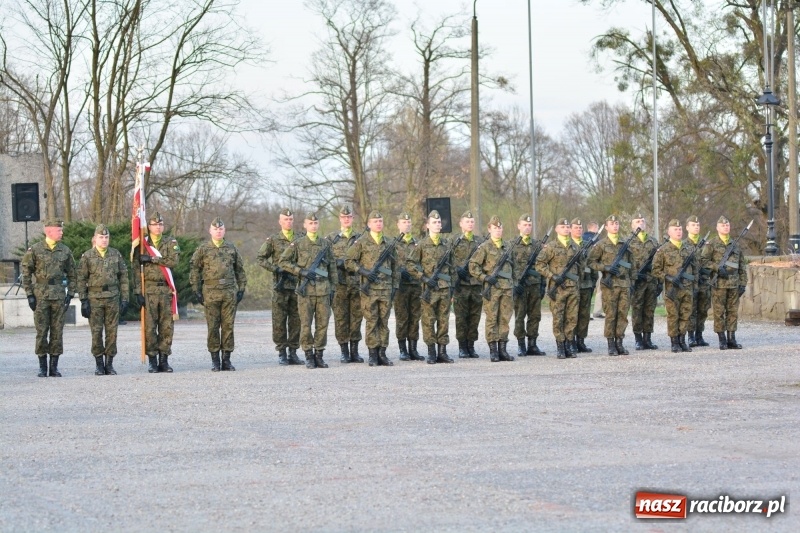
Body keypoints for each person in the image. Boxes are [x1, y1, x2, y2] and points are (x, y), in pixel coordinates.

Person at [279, 212, 337, 369]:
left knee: (322, 324)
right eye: (310, 223)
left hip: (324, 290)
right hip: (306, 292)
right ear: (305, 225)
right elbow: (283, 262)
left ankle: (319, 354)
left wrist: (334, 287)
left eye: (316, 223)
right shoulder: (298, 244)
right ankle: (308, 355)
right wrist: (301, 272)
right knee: (305, 324)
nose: (313, 225)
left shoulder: (325, 245)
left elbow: (332, 267)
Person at [21, 218, 77, 377]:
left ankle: (54, 366)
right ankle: (42, 366)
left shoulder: (65, 251)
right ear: (49, 231)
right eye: (59, 230)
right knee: (41, 331)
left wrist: (70, 294)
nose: (62, 233)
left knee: (57, 331)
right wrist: (30, 295)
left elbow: (73, 274)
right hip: (41, 296)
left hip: (59, 295)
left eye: (61, 230)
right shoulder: (35, 250)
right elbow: (26, 273)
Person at [190, 217, 247, 371]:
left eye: (221, 229)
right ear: (210, 231)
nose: (218, 231)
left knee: (228, 326)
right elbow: (195, 269)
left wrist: (241, 289)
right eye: (215, 229)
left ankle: (226, 359)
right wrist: (196, 289)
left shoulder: (231, 248)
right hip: (210, 292)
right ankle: (215, 360)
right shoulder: (203, 249)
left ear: (224, 231)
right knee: (213, 327)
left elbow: (240, 270)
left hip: (229, 292)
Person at [346, 211, 400, 366]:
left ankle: (382, 353)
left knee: (384, 322)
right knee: (371, 321)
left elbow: (396, 267)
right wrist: (363, 271)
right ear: (369, 224)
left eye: (380, 221)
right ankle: (372, 354)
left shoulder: (389, 243)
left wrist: (395, 286)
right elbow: (348, 261)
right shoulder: (361, 242)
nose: (378, 223)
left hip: (385, 289)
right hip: (369, 290)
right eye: (375, 221)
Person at [77, 224, 129, 376]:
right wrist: (83, 300)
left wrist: (125, 298)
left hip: (112, 297)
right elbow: (81, 279)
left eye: (106, 237)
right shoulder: (87, 256)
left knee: (112, 332)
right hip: (94, 299)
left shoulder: (115, 254)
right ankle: (99, 364)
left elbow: (124, 277)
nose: (104, 240)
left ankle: (109, 364)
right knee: (96, 332)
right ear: (95, 239)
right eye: (101, 237)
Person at [132, 212, 180, 373]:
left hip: (165, 290)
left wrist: (152, 259)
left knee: (167, 327)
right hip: (149, 291)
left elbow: (173, 261)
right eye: (154, 225)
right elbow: (136, 270)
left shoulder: (170, 242)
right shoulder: (142, 244)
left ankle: (164, 360)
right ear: (149, 227)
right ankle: (152, 360)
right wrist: (138, 292)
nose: (157, 227)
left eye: (160, 224)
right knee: (150, 328)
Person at [407, 210, 454, 364]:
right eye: (434, 222)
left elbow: (452, 267)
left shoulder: (446, 244)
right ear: (428, 225)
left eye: (439, 222)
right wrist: (424, 278)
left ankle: (442, 351)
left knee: (444, 320)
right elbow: (410, 264)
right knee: (428, 320)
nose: (437, 224)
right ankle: (431, 352)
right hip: (429, 289)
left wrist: (452, 286)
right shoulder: (421, 245)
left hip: (444, 288)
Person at [257, 208, 302, 365]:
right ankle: (282, 351)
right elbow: (261, 258)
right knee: (279, 320)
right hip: (280, 286)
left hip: (297, 285)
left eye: (290, 219)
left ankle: (293, 351)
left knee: (297, 320)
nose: (288, 222)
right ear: (280, 221)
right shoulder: (273, 240)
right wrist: (275, 269)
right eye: (285, 219)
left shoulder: (300, 238)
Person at [469, 215, 515, 362]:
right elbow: (473, 266)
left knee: (505, 318)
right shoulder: (484, 247)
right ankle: (493, 350)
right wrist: (485, 278)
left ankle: (503, 349)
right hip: (492, 288)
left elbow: (514, 268)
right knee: (492, 318)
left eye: (500, 228)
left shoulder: (508, 246)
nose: (498, 230)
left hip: (507, 288)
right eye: (495, 228)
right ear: (489, 229)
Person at [588, 214, 634, 355]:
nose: (615, 226)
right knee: (611, 315)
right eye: (611, 224)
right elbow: (590, 262)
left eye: (616, 223)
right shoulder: (601, 245)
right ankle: (611, 344)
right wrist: (605, 268)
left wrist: (632, 282)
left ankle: (619, 342)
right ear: (606, 227)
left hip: (624, 284)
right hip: (609, 285)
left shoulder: (625, 244)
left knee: (622, 314)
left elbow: (632, 264)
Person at [536, 218, 581, 358]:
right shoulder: (551, 247)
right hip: (558, 289)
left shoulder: (574, 246)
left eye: (567, 226)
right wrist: (552, 276)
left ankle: (569, 344)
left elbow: (581, 266)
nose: (566, 229)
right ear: (556, 229)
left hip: (573, 288)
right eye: (562, 226)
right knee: (558, 318)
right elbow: (539, 265)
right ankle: (560, 346)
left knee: (572, 318)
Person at [701, 216, 748, 350]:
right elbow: (703, 261)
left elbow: (741, 266)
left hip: (734, 284)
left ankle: (731, 338)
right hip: (719, 284)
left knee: (733, 312)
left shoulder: (735, 244)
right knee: (719, 312)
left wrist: (743, 283)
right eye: (722, 225)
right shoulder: (712, 244)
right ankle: (722, 339)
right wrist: (716, 268)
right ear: (717, 228)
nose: (725, 227)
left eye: (727, 225)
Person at [326, 205, 365, 363]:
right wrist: (339, 263)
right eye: (344, 217)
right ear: (340, 219)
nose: (347, 220)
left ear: (353, 219)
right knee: (341, 318)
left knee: (356, 318)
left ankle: (354, 351)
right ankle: (344, 351)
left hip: (356, 284)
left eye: (349, 217)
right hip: (339, 285)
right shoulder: (331, 238)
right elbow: (326, 260)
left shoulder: (361, 237)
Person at [652, 219, 696, 352]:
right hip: (672, 289)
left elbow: (695, 268)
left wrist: (695, 284)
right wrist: (668, 277)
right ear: (669, 232)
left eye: (680, 229)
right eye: (675, 229)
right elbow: (655, 269)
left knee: (686, 314)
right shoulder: (663, 250)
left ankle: (682, 339)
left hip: (687, 287)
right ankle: (674, 341)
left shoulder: (688, 249)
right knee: (673, 315)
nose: (678, 231)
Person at [511, 214, 546, 356]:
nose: (527, 227)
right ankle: (521, 344)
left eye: (529, 225)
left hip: (535, 285)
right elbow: (508, 266)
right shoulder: (512, 245)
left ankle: (532, 344)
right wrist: (514, 284)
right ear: (519, 226)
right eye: (524, 225)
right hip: (520, 287)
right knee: (520, 316)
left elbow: (542, 266)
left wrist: (543, 285)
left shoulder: (537, 245)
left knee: (535, 315)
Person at [452, 210, 485, 358]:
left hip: (476, 284)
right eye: (467, 221)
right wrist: (456, 270)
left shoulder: (480, 242)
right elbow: (445, 260)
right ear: (461, 224)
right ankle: (462, 346)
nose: (470, 224)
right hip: (461, 285)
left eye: (472, 221)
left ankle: (471, 345)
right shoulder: (454, 241)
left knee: (474, 316)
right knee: (461, 317)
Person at [394, 212, 424, 361]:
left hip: (416, 285)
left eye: (409, 222)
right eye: (404, 222)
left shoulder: (418, 243)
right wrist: (400, 272)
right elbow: (390, 264)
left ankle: (413, 348)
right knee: (402, 317)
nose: (407, 224)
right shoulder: (393, 244)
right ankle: (402, 349)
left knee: (415, 317)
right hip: (401, 286)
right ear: (398, 225)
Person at [629, 213, 660, 350]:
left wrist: (659, 282)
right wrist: (634, 275)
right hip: (636, 282)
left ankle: (648, 338)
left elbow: (659, 263)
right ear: (632, 225)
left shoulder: (653, 241)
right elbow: (625, 264)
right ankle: (638, 339)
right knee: (637, 310)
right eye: (637, 221)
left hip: (651, 281)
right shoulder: (628, 242)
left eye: (642, 221)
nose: (640, 223)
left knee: (649, 310)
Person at [571, 218, 599, 353]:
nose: (578, 229)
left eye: (580, 227)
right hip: (571, 285)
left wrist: (593, 282)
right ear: (570, 229)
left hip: (586, 284)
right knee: (571, 314)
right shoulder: (567, 245)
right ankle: (570, 341)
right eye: (576, 227)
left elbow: (592, 264)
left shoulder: (587, 245)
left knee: (584, 315)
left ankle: (581, 341)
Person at [685, 215, 711, 347]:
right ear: (687, 227)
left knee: (702, 309)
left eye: (698, 225)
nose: (696, 227)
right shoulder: (684, 245)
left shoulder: (706, 245)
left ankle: (699, 335)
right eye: (693, 225)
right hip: (690, 282)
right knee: (691, 309)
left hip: (704, 281)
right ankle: (690, 336)